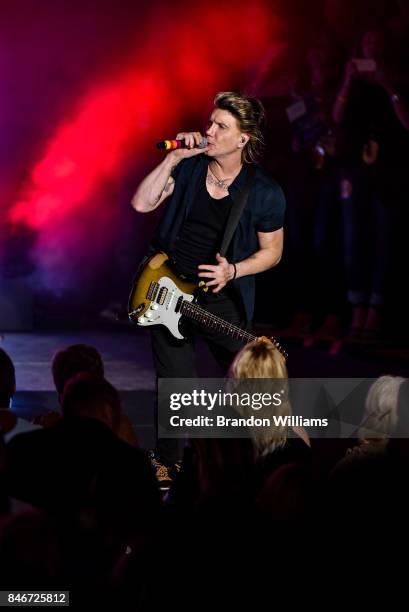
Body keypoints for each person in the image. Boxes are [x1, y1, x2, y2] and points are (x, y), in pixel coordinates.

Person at [131, 91, 286, 474]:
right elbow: (141, 203)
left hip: (221, 297)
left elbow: (273, 253)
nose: (209, 131)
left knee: (251, 378)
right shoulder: (188, 168)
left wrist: (232, 270)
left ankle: (264, 460)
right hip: (168, 292)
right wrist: (173, 157)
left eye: (221, 126)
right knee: (174, 388)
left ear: (243, 138)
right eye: (211, 122)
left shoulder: (264, 191)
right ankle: (170, 466)